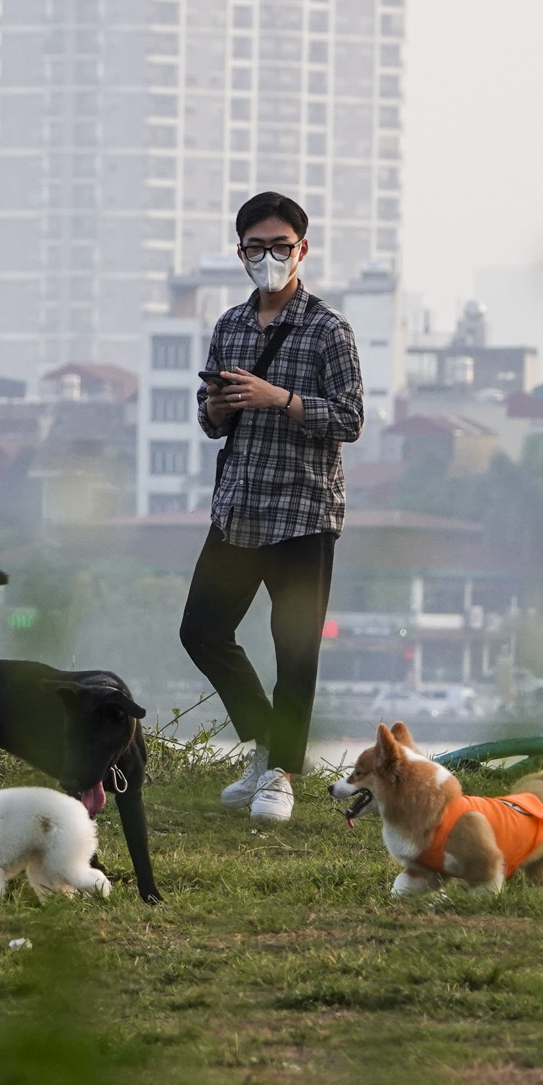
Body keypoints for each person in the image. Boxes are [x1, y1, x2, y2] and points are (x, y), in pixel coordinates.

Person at [178, 192, 363, 823]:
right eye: (256, 248)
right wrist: (220, 408)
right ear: (240, 253)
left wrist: (277, 396)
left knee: (295, 648)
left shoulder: (328, 330)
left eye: (281, 246)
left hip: (304, 513)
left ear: (302, 249)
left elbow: (350, 419)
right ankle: (268, 746)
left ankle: (280, 774)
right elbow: (209, 421)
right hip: (238, 507)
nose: (269, 258)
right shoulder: (229, 325)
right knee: (201, 630)